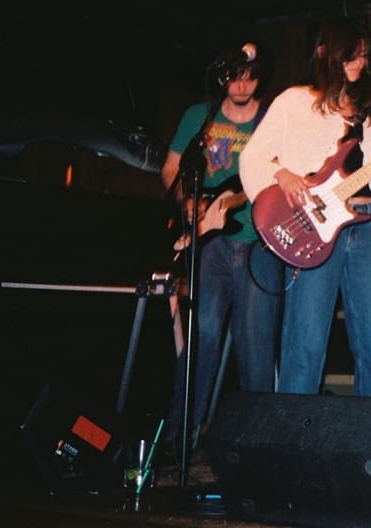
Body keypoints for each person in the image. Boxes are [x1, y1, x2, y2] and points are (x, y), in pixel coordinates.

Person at [239, 19, 371, 397]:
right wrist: (282, 174)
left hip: (367, 225)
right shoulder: (293, 101)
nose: (359, 64)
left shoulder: (363, 112)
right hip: (315, 229)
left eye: (364, 57)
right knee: (305, 344)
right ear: (326, 54)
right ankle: (292, 442)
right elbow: (253, 156)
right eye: (351, 56)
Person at [160, 42, 283, 445]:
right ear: (222, 76)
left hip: (259, 245)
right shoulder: (200, 116)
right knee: (201, 341)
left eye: (250, 76)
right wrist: (190, 201)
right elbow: (171, 170)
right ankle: (180, 440)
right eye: (235, 75)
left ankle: (254, 444)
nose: (243, 84)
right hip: (210, 244)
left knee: (255, 349)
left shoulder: (272, 120)